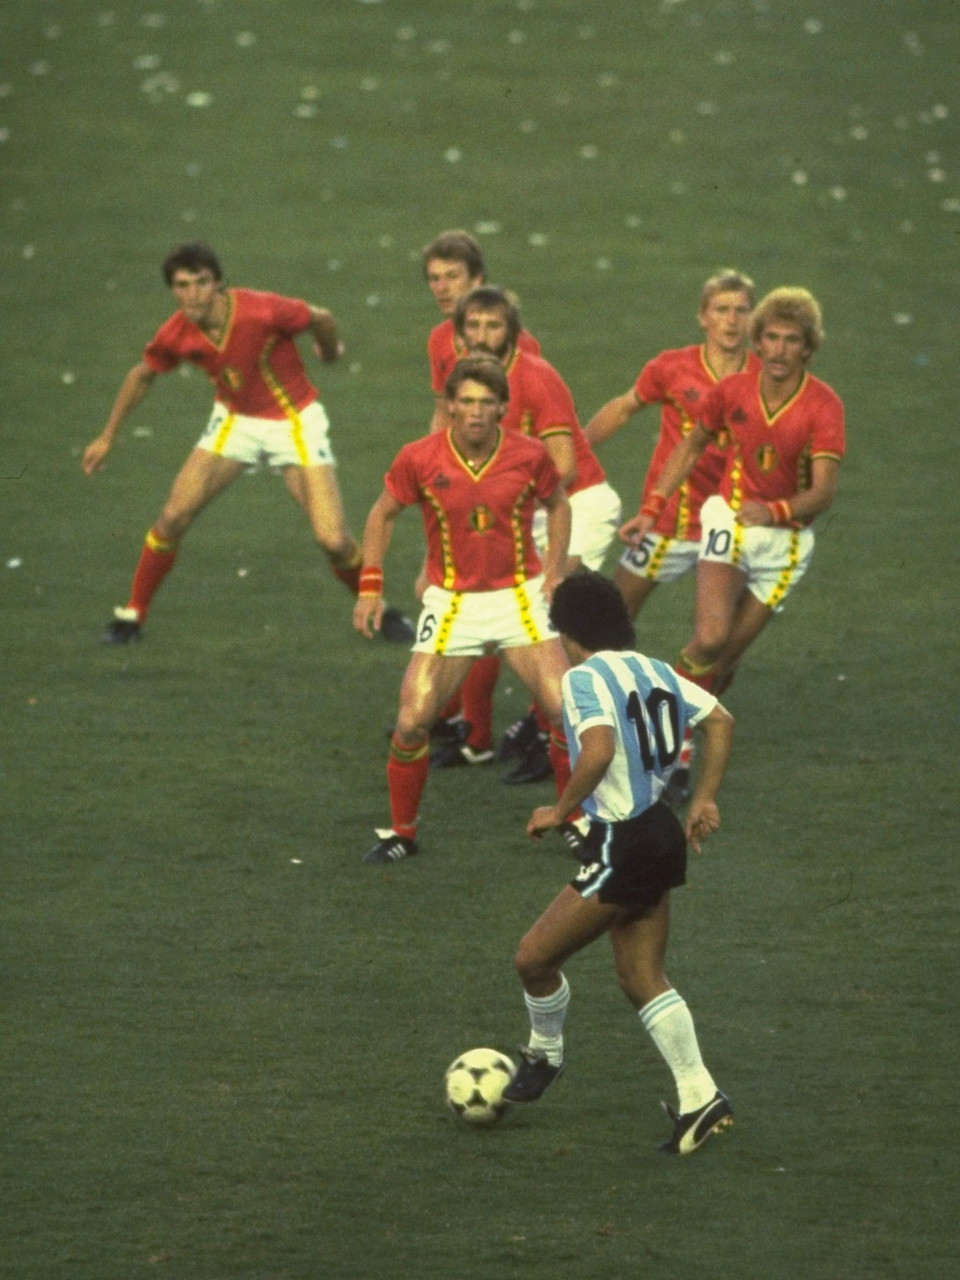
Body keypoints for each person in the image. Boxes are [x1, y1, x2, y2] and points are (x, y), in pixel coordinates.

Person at [500, 569, 735, 1157]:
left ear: (564, 631)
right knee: (641, 978)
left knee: (533, 957)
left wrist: (559, 809)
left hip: (624, 840)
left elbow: (599, 750)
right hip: (659, 832)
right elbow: (720, 721)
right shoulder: (657, 670)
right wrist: (703, 796)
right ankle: (700, 1096)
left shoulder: (583, 679)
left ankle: (544, 1056)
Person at [82, 241, 413, 644]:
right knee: (171, 517)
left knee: (333, 540)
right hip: (235, 420)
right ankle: (132, 615)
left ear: (219, 283)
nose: (192, 295)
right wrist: (106, 436)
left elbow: (320, 317)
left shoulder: (263, 311)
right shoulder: (177, 332)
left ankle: (380, 608)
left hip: (294, 423)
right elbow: (142, 374)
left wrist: (329, 350)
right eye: (182, 285)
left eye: (201, 283)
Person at [353, 356, 586, 863]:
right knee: (413, 721)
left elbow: (560, 504)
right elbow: (381, 513)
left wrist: (554, 572)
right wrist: (370, 587)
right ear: (450, 406)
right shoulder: (419, 457)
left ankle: (574, 818)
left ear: (502, 407)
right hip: (452, 602)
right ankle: (401, 833)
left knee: (566, 712)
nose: (476, 412)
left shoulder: (529, 455)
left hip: (518, 598)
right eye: (466, 402)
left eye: (486, 402)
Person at [618, 287, 845, 799]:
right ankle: (672, 752)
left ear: (808, 348)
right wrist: (652, 509)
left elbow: (823, 492)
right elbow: (690, 446)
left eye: (792, 341)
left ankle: (672, 724)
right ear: (758, 342)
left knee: (721, 666)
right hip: (730, 523)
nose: (781, 350)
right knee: (710, 639)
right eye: (772, 339)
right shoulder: (733, 392)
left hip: (785, 547)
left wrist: (776, 510)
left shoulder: (824, 406)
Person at [435, 285, 621, 782]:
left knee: (544, 615)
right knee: (487, 602)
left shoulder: (536, 378)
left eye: (493, 326)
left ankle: (553, 735)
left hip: (578, 503)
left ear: (513, 332)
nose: (481, 335)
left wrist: (501, 505)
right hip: (526, 507)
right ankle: (479, 732)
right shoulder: (465, 380)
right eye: (472, 326)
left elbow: (561, 467)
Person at [585, 269, 757, 620]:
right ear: (703, 318)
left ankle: (703, 676)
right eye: (721, 309)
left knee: (717, 639)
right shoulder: (673, 368)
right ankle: (594, 675)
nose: (732, 320)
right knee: (610, 617)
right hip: (669, 518)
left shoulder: (766, 379)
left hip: (734, 525)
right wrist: (576, 450)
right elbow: (623, 408)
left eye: (741, 310)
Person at [421, 230, 541, 436]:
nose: (441, 288)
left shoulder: (517, 342)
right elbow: (443, 411)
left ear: (476, 279)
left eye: (452, 276)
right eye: (434, 278)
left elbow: (532, 415)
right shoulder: (439, 339)